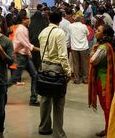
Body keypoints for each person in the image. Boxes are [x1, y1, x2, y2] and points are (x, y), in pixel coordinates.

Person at [38, 10, 71, 138]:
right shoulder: (59, 33)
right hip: (56, 69)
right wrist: (68, 72)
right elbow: (63, 55)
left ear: (48, 19)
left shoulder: (43, 32)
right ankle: (58, 133)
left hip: (44, 67)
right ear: (60, 20)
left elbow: (41, 51)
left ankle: (44, 128)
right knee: (58, 101)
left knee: (45, 99)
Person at [88, 25, 115, 137]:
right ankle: (108, 129)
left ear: (104, 35)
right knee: (110, 107)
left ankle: (109, 132)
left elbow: (93, 60)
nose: (96, 31)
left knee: (107, 108)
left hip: (104, 81)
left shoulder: (102, 48)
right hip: (112, 79)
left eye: (98, 30)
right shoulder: (111, 46)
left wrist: (92, 51)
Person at [12, 12, 40, 105]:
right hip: (21, 57)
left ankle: (33, 99)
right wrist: (40, 49)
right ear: (23, 20)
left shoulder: (24, 29)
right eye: (27, 18)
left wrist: (28, 53)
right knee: (14, 78)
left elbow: (25, 45)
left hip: (25, 56)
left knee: (35, 75)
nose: (29, 20)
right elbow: (26, 44)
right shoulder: (21, 30)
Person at [69, 14, 90, 84]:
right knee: (85, 63)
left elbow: (69, 34)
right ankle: (85, 79)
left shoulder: (70, 26)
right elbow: (88, 33)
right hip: (83, 47)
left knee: (76, 64)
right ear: (81, 19)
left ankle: (76, 79)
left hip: (74, 47)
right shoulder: (84, 26)